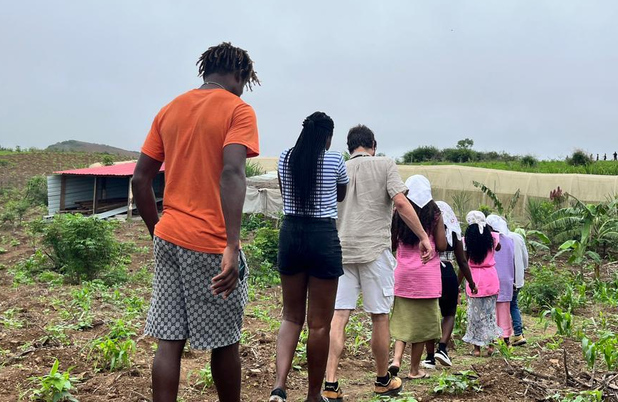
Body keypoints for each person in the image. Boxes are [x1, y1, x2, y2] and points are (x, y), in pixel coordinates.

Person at [132, 42, 260, 402]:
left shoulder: (169, 110)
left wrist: (157, 231)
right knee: (224, 341)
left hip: (169, 237)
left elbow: (140, 180)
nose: (242, 88)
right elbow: (233, 172)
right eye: (244, 81)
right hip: (210, 243)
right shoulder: (238, 110)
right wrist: (231, 244)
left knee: (169, 340)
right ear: (238, 74)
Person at [324, 125, 434, 400]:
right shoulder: (385, 164)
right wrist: (423, 236)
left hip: (342, 252)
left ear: (350, 147)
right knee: (379, 316)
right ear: (373, 144)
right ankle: (382, 379)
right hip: (375, 252)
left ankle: (330, 383)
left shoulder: (340, 169)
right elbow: (400, 202)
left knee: (339, 317)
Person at [270, 112, 349, 402]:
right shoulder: (335, 159)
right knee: (319, 325)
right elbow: (340, 195)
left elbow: (284, 191)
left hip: (291, 233)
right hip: (322, 237)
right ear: (327, 137)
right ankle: (313, 395)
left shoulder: (285, 158)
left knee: (291, 316)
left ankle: (279, 386)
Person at [389, 175, 447, 380]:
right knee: (421, 326)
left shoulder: (398, 212)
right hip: (427, 275)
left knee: (404, 319)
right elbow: (440, 245)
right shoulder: (435, 213)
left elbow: (393, 244)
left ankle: (396, 359)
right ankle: (414, 369)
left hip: (403, 273)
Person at [422, 201, 476, 369]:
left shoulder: (426, 230)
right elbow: (462, 261)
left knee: (430, 314)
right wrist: (471, 283)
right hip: (448, 272)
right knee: (449, 312)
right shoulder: (454, 233)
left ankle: (430, 357)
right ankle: (443, 348)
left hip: (429, 272)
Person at [461, 211, 502, 356]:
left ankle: (477, 349)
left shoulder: (466, 241)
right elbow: (498, 247)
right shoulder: (492, 238)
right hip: (490, 278)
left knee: (474, 315)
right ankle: (491, 346)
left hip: (474, 279)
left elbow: (464, 261)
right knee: (490, 314)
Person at [486, 215, 515, 344]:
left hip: (492, 277)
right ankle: (506, 337)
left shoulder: (490, 241)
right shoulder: (509, 241)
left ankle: (492, 337)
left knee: (491, 308)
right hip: (507, 278)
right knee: (504, 309)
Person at [508, 225, 529, 345]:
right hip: (518, 279)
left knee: (503, 306)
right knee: (513, 305)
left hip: (506, 279)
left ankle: (508, 335)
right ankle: (518, 334)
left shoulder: (500, 238)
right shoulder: (518, 237)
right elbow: (525, 259)